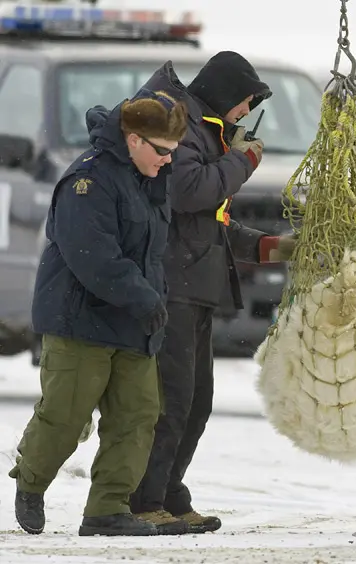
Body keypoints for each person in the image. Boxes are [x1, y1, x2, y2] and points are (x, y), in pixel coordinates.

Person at [129, 53, 296, 535]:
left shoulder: (206, 130)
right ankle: (146, 498)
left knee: (197, 400)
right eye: (244, 103)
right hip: (173, 284)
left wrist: (270, 247)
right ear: (226, 95)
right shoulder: (183, 126)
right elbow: (190, 193)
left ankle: (168, 491)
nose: (244, 114)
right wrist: (242, 160)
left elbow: (211, 220)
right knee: (174, 400)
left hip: (195, 284)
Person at [9, 89, 189, 537]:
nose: (168, 160)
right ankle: (30, 482)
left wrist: (155, 299)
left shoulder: (150, 179)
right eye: (162, 151)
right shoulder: (87, 182)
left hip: (133, 320)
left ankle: (107, 509)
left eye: (173, 151)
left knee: (136, 417)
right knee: (66, 417)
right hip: (80, 321)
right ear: (133, 139)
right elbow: (93, 256)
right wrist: (146, 298)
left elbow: (151, 251)